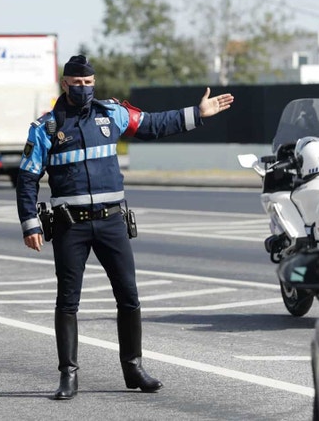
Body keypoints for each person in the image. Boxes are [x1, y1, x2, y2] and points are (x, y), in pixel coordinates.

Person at [15, 55, 234, 400]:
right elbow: (27, 178)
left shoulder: (111, 114)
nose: (84, 89)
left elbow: (152, 124)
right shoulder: (46, 128)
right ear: (65, 83)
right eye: (77, 83)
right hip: (71, 226)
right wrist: (30, 223)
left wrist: (197, 114)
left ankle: (133, 368)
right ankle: (68, 376)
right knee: (68, 302)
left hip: (111, 222)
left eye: (89, 83)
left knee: (129, 297)